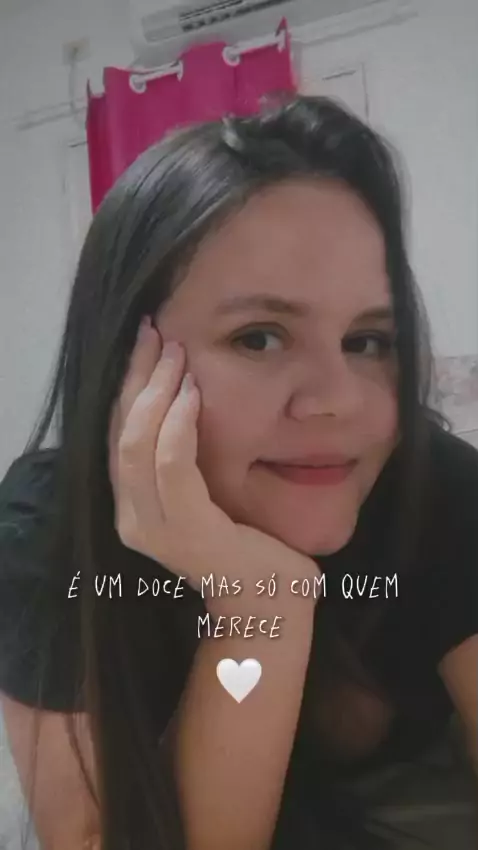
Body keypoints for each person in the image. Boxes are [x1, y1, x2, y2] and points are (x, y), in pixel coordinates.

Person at [0, 95, 477, 850]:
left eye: (367, 341)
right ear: (125, 362)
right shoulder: (50, 525)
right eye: (259, 337)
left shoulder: (438, 486)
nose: (338, 401)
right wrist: (260, 603)